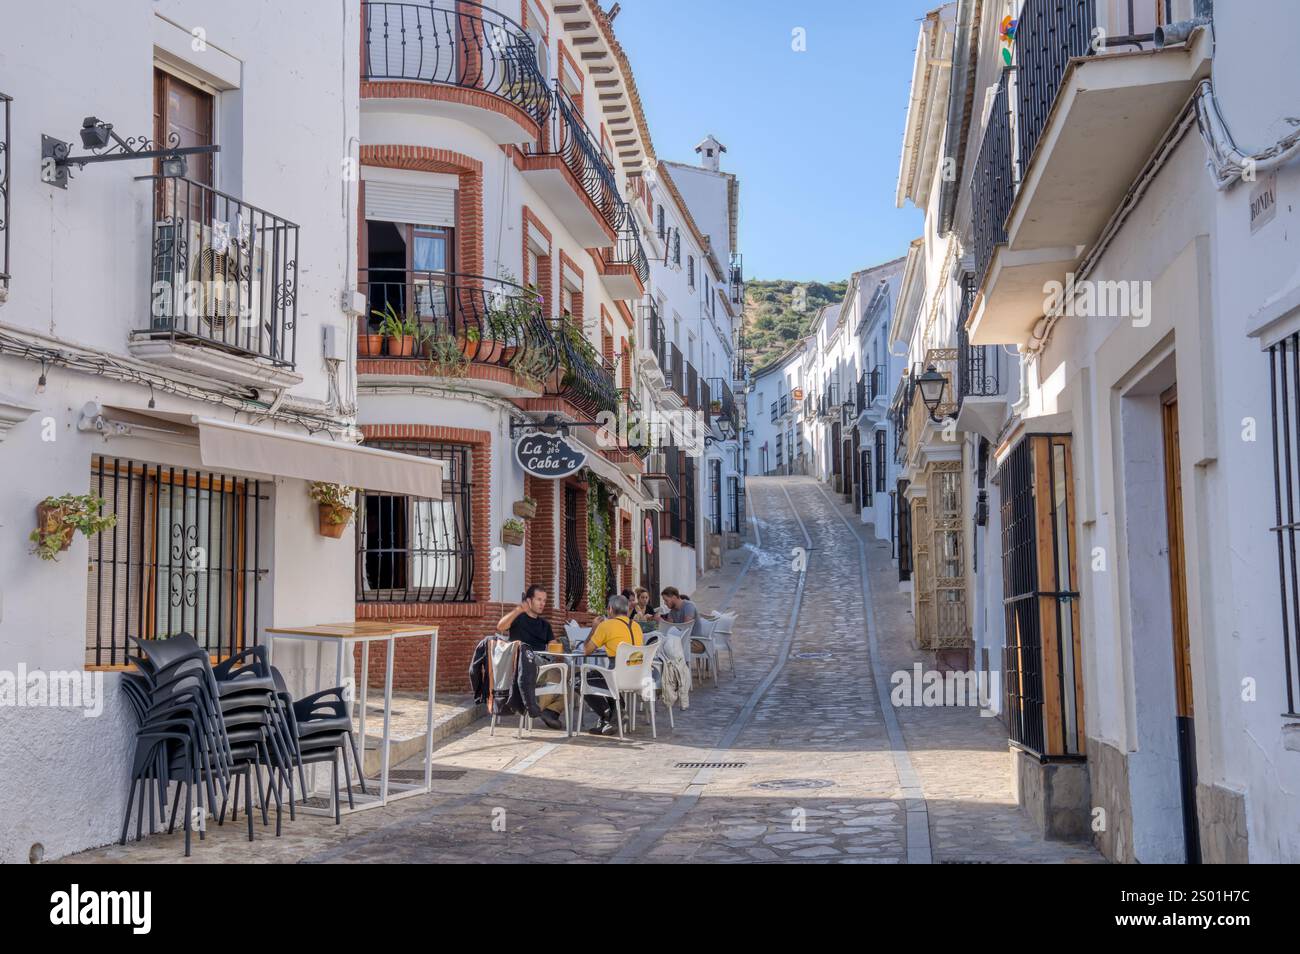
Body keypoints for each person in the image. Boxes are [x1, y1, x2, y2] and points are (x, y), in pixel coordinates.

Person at [495, 585, 564, 730]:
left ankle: (550, 712)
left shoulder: (545, 625)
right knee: (560, 676)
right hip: (524, 664)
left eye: (544, 600)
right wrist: (518, 609)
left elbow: (553, 647)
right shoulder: (518, 619)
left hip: (543, 663)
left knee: (573, 678)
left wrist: (558, 644)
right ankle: (534, 707)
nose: (542, 604)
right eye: (538, 599)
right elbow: (500, 627)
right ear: (529, 601)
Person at [581, 593, 644, 735]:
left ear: (610, 609)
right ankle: (615, 715)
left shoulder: (606, 626)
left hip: (616, 677)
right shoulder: (637, 626)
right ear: (627, 610)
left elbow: (586, 650)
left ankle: (610, 716)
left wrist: (594, 628)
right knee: (604, 677)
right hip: (637, 676)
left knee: (580, 679)